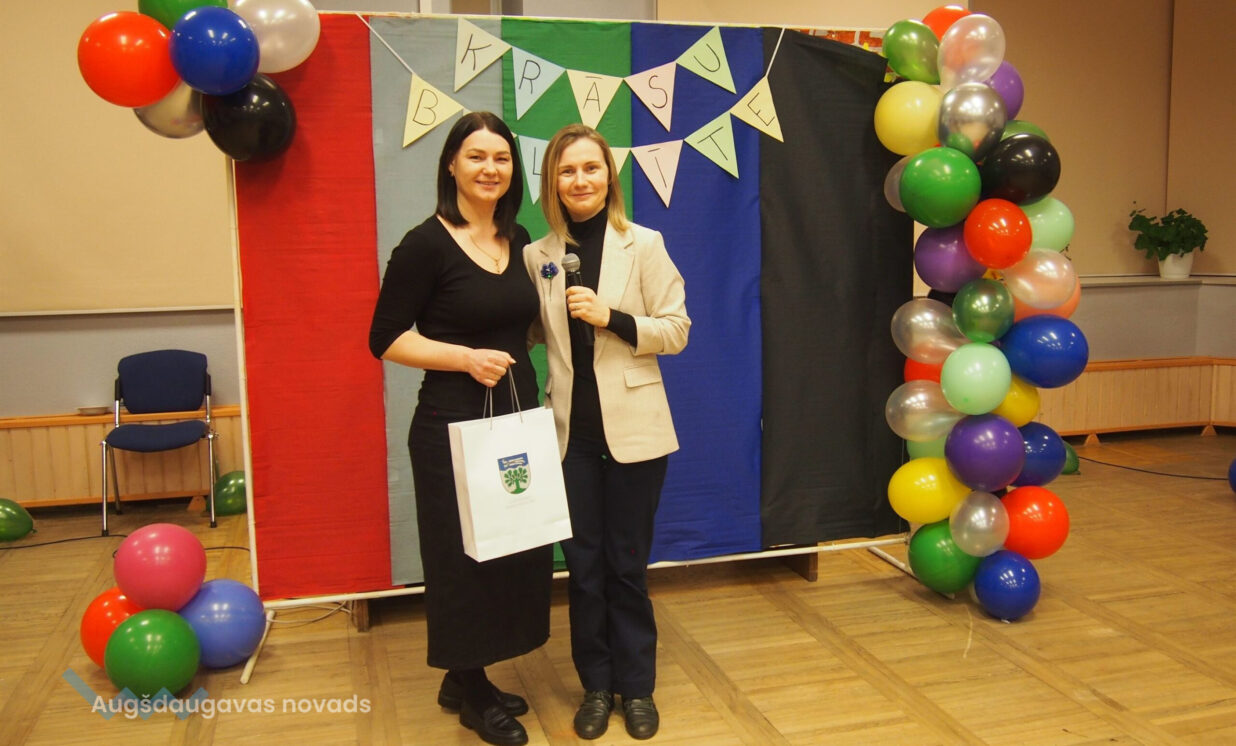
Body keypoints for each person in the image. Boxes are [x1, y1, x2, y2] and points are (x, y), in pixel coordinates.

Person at [368, 111, 549, 746]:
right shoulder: (424, 244)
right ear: (451, 164)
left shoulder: (519, 238)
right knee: (462, 557)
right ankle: (473, 694)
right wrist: (464, 358)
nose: (490, 168)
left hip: (515, 417)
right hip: (451, 423)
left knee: (509, 548)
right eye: (476, 156)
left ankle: (461, 675)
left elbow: (521, 323)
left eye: (501, 157)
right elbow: (384, 337)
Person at [523, 124, 690, 740]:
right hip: (569, 438)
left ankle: (637, 688)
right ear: (553, 182)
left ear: (608, 176)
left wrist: (611, 317)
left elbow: (677, 329)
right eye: (567, 171)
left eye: (590, 168)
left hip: (636, 435)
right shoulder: (538, 257)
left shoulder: (644, 244)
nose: (580, 180)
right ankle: (596, 686)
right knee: (584, 570)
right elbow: (529, 331)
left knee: (625, 567)